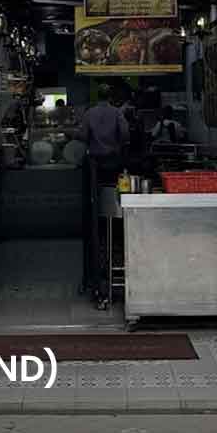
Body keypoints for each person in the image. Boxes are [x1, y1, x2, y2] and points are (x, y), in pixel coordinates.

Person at [80, 85, 129, 296]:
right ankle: (115, 229)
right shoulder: (117, 113)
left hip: (95, 167)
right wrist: (117, 143)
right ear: (110, 96)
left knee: (95, 205)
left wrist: (93, 140)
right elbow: (126, 134)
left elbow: (82, 136)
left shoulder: (89, 113)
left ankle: (97, 226)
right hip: (114, 164)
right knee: (115, 201)